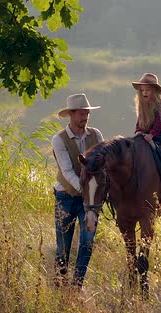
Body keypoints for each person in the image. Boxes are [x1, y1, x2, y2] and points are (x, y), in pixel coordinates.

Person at [51, 93, 104, 288]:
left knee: (88, 242)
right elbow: (67, 172)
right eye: (81, 114)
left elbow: (103, 166)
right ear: (71, 115)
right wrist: (88, 189)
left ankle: (77, 286)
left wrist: (95, 193)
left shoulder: (96, 135)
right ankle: (59, 284)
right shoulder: (59, 139)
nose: (85, 118)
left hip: (89, 200)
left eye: (87, 114)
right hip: (65, 197)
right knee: (63, 247)